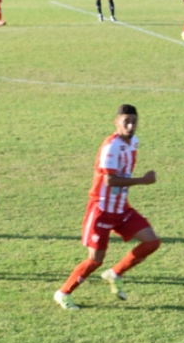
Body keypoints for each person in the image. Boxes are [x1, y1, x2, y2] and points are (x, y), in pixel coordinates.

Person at [54, 104, 161, 310]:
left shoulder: (134, 142)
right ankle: (63, 293)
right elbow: (110, 180)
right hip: (101, 209)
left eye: (134, 122)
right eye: (126, 122)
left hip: (121, 208)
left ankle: (115, 273)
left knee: (152, 242)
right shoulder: (110, 147)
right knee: (95, 260)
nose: (130, 126)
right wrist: (142, 181)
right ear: (117, 122)